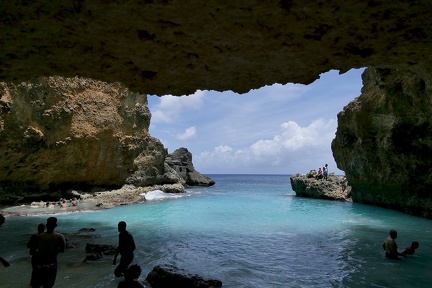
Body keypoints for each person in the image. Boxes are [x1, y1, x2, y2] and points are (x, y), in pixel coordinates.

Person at [34, 217, 66, 288]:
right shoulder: (60, 237)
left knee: (37, 284)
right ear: (56, 225)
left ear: (46, 225)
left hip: (40, 262)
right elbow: (62, 250)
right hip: (52, 262)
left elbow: (34, 250)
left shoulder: (39, 236)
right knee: (49, 285)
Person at [27, 223, 46, 287]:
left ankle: (35, 285)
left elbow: (28, 245)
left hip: (35, 257)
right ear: (44, 229)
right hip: (43, 257)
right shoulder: (45, 236)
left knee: (35, 272)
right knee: (43, 273)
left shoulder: (34, 236)